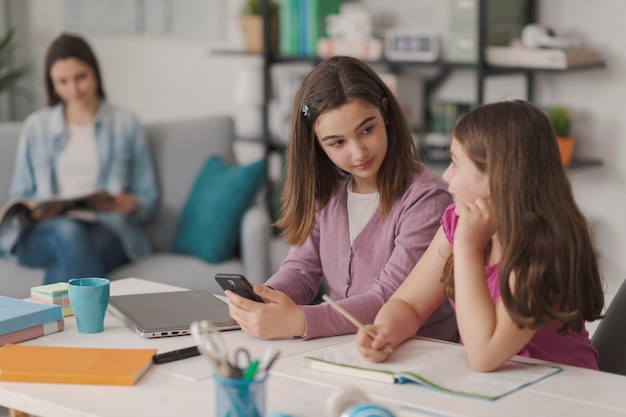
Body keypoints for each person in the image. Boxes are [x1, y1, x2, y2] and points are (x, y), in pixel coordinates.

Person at [356, 99, 604, 371]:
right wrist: (385, 330)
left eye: (455, 162)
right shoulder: (459, 219)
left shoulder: (540, 250)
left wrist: (467, 247)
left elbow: (484, 356)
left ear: (498, 176)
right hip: (496, 386)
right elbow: (409, 304)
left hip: (562, 389)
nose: (447, 175)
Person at [224, 56, 458, 341]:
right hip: (342, 345)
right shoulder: (327, 189)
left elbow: (390, 298)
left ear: (385, 110)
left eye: (367, 130)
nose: (359, 153)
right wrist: (265, 301)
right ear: (317, 144)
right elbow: (300, 270)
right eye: (338, 143)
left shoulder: (427, 199)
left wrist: (300, 321)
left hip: (418, 350)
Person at [4, 33, 158, 284]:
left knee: (69, 257)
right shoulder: (36, 126)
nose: (73, 89)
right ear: (51, 84)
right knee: (69, 233)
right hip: (45, 232)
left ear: (95, 72)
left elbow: (148, 198)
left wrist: (131, 204)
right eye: (62, 82)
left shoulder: (126, 124)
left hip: (106, 228)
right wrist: (36, 212)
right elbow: (21, 193)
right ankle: (97, 320)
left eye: (80, 77)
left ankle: (53, 319)